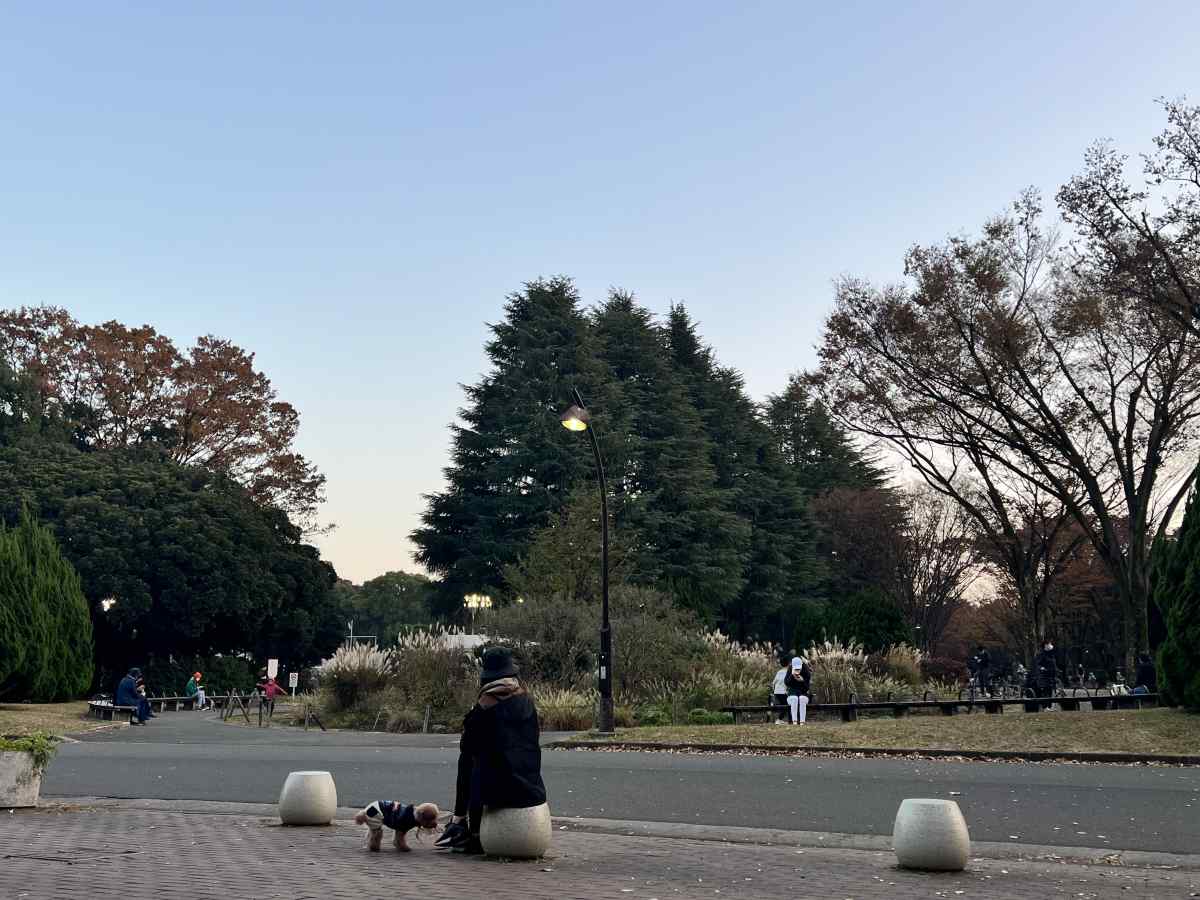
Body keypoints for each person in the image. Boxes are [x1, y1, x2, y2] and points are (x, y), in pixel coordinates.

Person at [436, 647, 547, 855]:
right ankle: (464, 824)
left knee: (469, 762)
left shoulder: (483, 709)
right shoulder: (527, 703)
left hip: (498, 794)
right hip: (533, 790)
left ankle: (466, 826)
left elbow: (467, 749)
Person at [784, 655, 811, 724]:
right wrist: (792, 676)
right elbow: (786, 683)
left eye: (799, 668)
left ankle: (802, 722)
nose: (797, 670)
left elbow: (807, 688)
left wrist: (802, 681)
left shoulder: (806, 671)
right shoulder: (790, 669)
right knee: (794, 698)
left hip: (803, 693)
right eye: (796, 669)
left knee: (802, 698)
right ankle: (794, 721)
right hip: (792, 694)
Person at [1033, 640, 1058, 707]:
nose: (1051, 645)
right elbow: (1038, 664)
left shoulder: (1051, 654)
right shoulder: (1041, 654)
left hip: (1051, 675)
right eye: (1049, 644)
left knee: (1050, 691)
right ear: (1045, 645)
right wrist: (1042, 668)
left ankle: (1049, 706)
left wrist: (1056, 670)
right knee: (1046, 691)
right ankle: (1045, 706)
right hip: (1043, 676)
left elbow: (1053, 663)